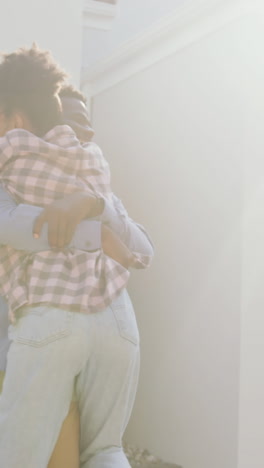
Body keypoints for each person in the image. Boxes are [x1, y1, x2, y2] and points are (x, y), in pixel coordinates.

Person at [0, 46, 153, 468]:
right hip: (117, 318)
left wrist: (86, 214)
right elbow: (142, 249)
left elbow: (11, 225)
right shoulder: (88, 163)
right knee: (106, 449)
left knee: (17, 457)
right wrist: (96, 223)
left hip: (50, 315)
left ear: (14, 118)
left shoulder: (10, 163)